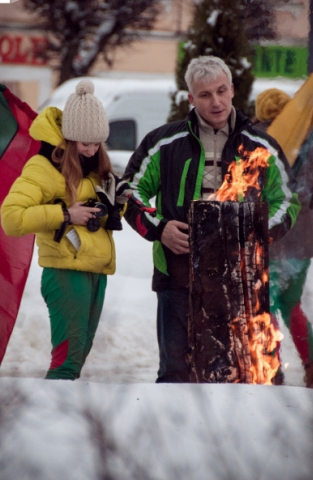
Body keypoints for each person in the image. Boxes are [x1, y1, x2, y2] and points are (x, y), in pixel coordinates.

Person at [124, 56, 300, 384]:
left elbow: (287, 201)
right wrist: (159, 229)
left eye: (221, 91)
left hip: (242, 277)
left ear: (233, 90)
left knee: (248, 374)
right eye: (205, 95)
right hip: (177, 272)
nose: (215, 101)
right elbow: (128, 192)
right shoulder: (163, 142)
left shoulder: (261, 146)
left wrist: (256, 235)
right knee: (176, 373)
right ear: (190, 98)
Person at [1, 79, 129, 380]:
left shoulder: (98, 169)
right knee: (68, 361)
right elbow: (11, 217)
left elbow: (104, 217)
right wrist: (65, 214)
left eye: (97, 143)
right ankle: (47, 421)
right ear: (70, 138)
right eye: (85, 143)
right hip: (64, 273)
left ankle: (57, 420)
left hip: (95, 271)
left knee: (79, 354)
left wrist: (115, 203)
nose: (91, 149)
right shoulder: (43, 168)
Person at [254, 88, 313, 389]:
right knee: (292, 304)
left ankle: (272, 370)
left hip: (268, 236)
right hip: (301, 242)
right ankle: (312, 369)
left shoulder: (258, 142)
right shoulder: (310, 144)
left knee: (265, 306)